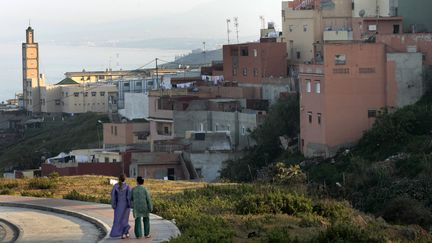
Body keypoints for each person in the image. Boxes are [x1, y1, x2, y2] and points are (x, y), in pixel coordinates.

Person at [110, 174, 131, 239]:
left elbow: (113, 196)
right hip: (126, 206)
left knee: (118, 220)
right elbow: (129, 197)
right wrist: (129, 204)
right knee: (125, 219)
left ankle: (123, 233)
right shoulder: (127, 186)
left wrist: (113, 205)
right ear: (125, 179)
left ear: (119, 179)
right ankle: (125, 233)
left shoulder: (115, 186)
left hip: (118, 205)